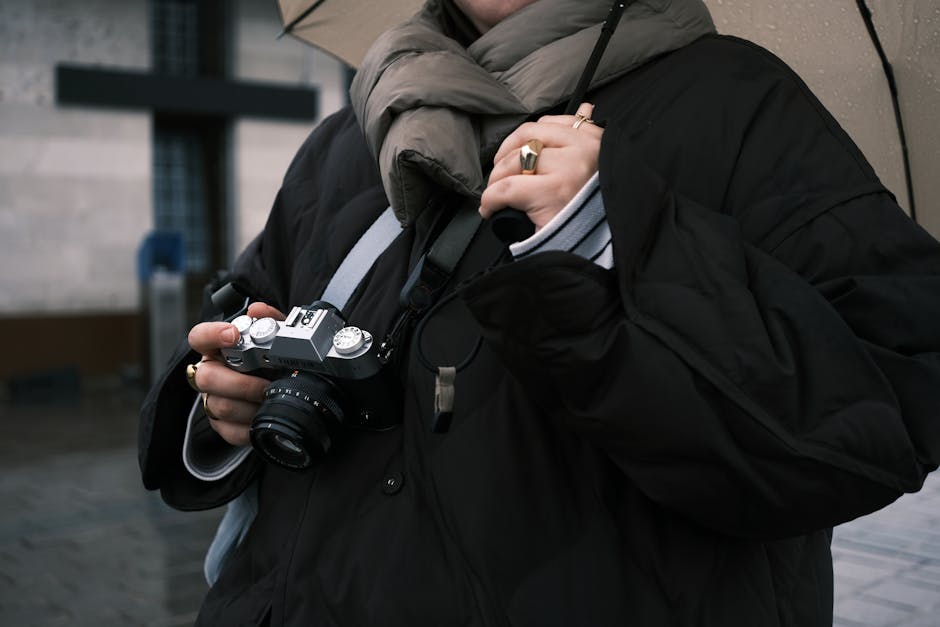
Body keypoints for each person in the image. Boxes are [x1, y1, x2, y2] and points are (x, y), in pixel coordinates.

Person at [139, 0, 940, 624]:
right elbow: (247, 313)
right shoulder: (350, 136)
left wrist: (616, 236)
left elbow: (882, 405)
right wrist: (225, 401)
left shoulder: (740, 106)